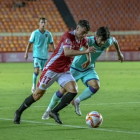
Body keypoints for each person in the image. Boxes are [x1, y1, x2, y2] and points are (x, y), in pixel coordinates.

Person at [14, 20, 96, 124]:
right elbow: (67, 52)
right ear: (77, 28)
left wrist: (88, 59)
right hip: (52, 69)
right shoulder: (68, 36)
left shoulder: (83, 38)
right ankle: (18, 112)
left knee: (73, 90)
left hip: (64, 70)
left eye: (86, 33)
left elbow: (86, 47)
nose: (84, 35)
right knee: (37, 95)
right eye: (82, 32)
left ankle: (54, 112)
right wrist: (85, 52)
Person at [42, 27, 124, 120]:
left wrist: (119, 53)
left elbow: (114, 40)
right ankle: (48, 110)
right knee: (63, 90)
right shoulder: (87, 41)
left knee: (96, 86)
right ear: (96, 36)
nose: (102, 43)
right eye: (101, 40)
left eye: (104, 41)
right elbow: (71, 47)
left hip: (88, 68)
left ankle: (77, 101)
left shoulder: (107, 41)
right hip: (74, 68)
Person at [24, 17, 55, 93]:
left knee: (44, 73)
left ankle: (42, 86)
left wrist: (55, 53)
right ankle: (34, 86)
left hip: (44, 56)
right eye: (42, 22)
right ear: (39, 23)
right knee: (37, 71)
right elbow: (30, 43)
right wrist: (26, 53)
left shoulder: (48, 34)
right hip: (37, 56)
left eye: (44, 22)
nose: (43, 24)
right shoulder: (34, 33)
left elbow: (52, 44)